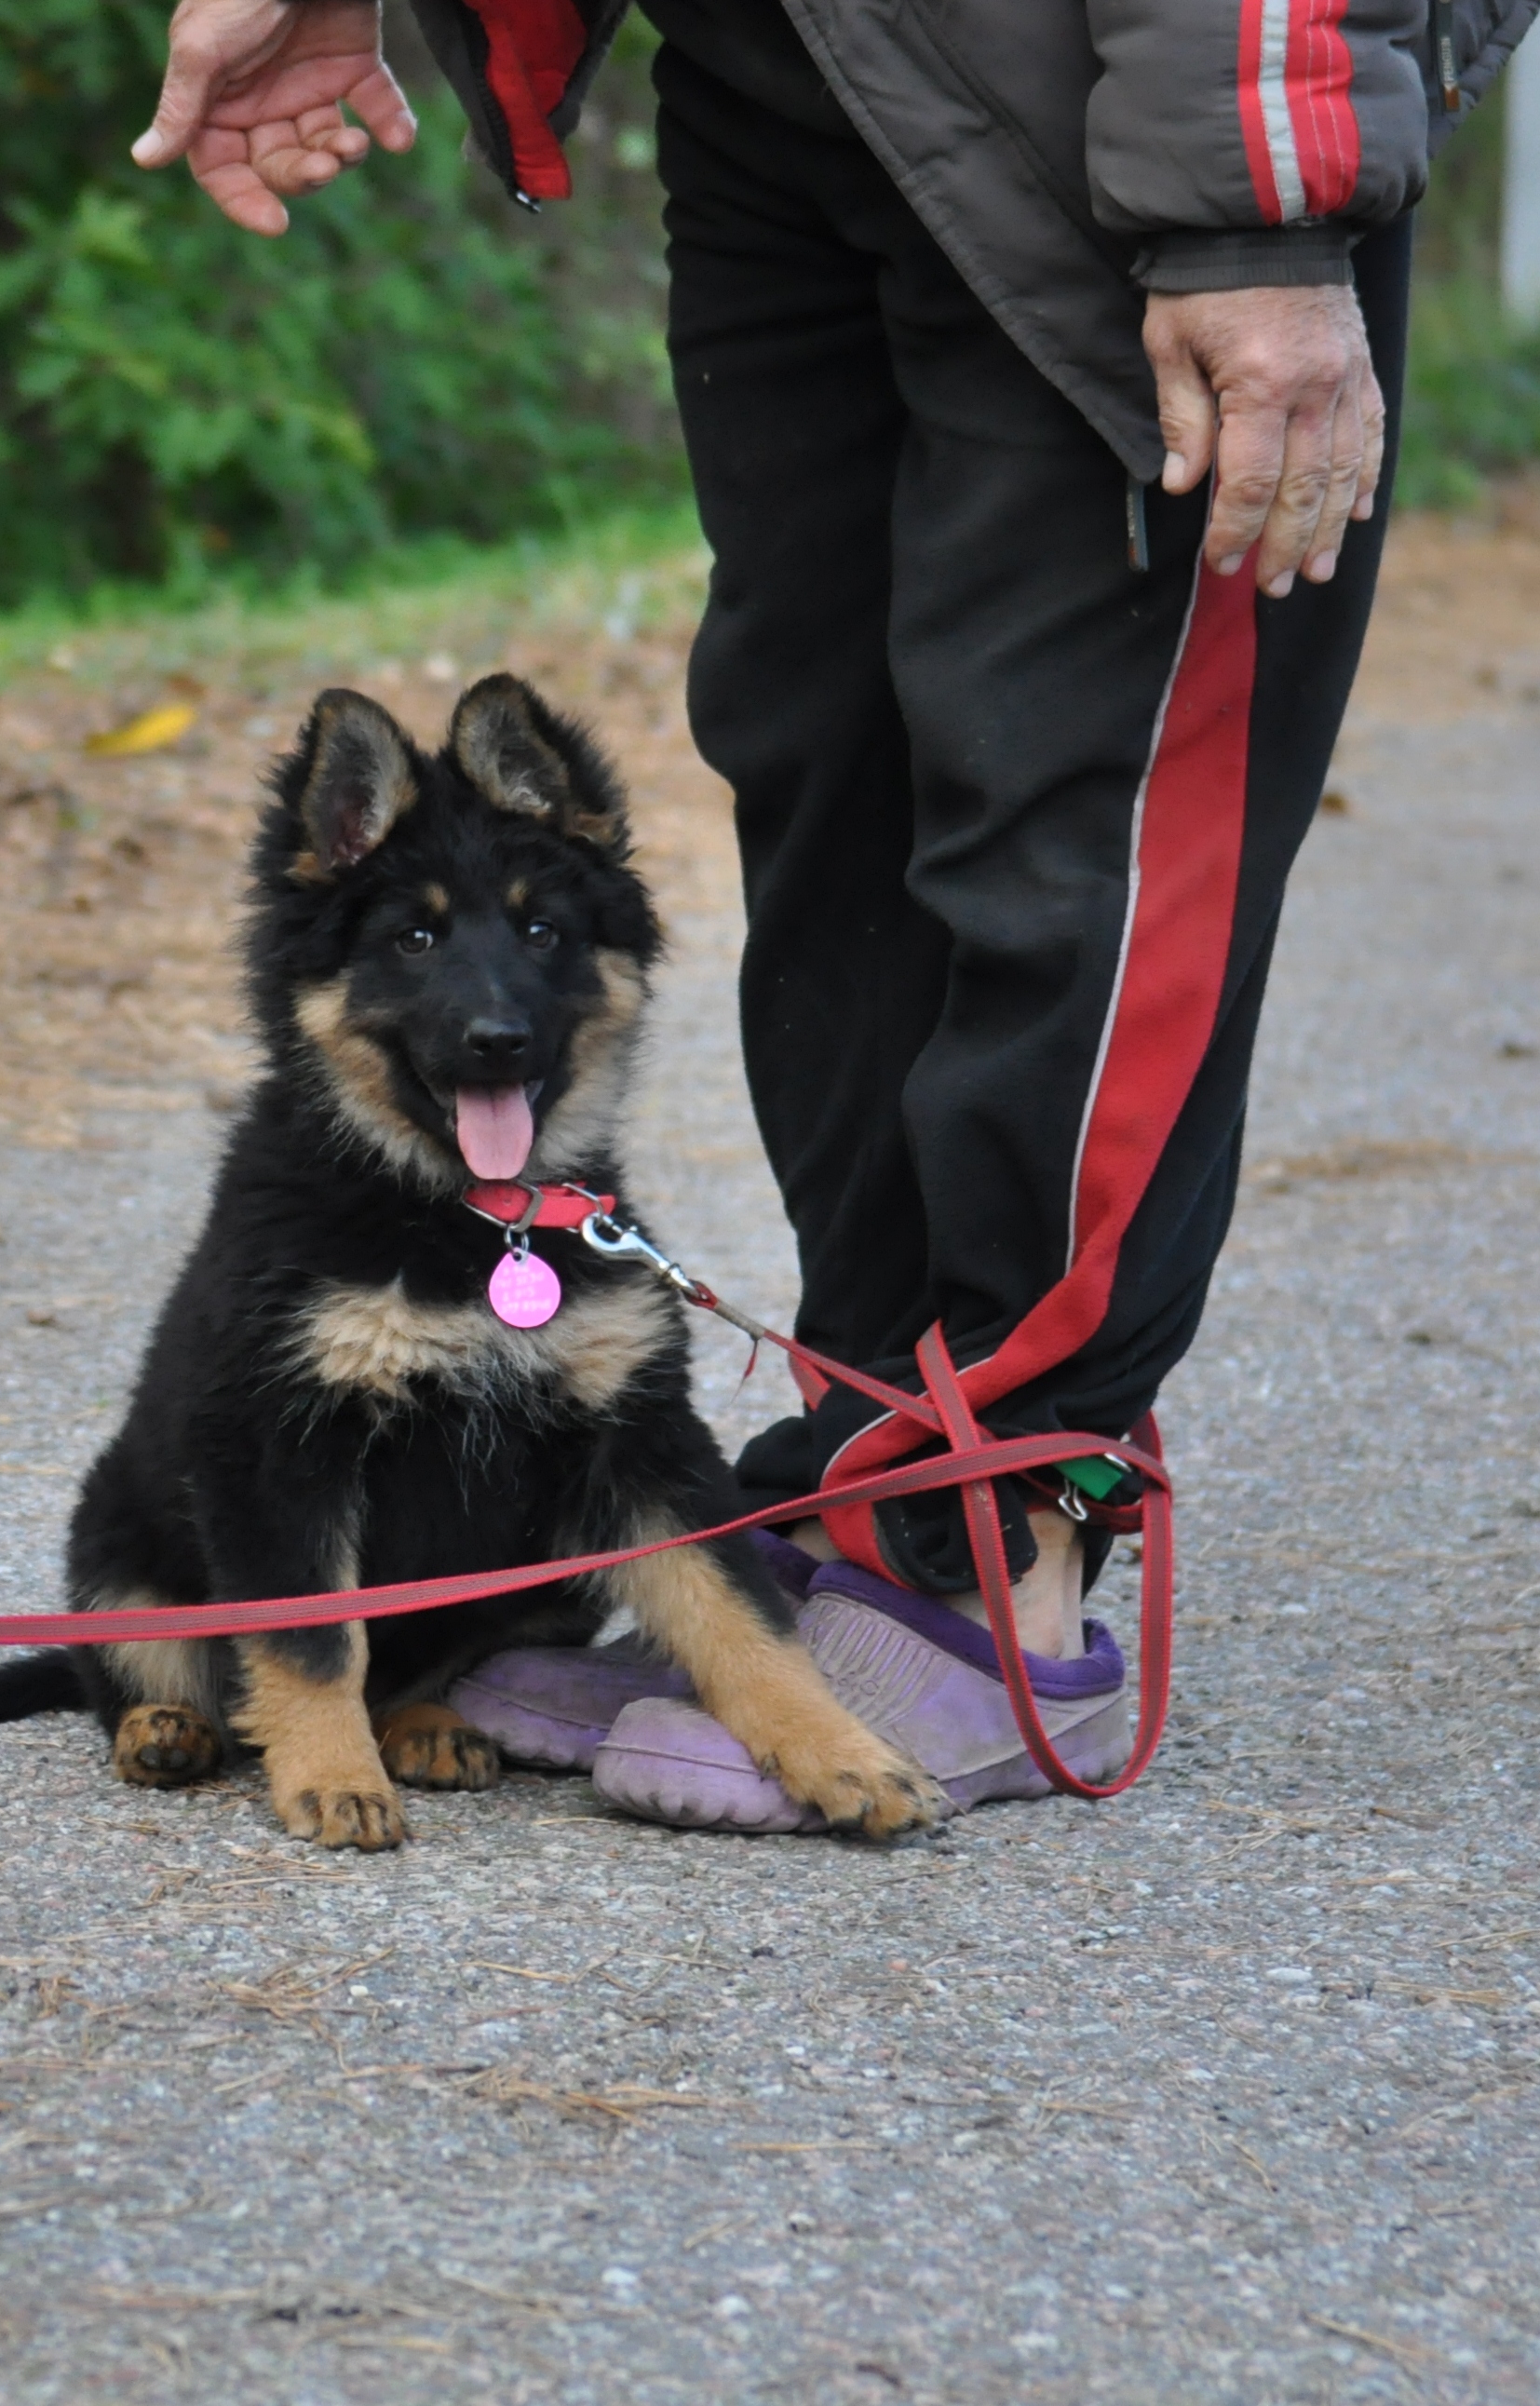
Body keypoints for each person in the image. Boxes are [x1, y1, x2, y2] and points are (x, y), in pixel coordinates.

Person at [129, 0, 1526, 1829]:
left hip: (1117, 96)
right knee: (826, 779)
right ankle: (879, 1468)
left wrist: (1254, 203)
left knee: (1074, 836)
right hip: (777, 69)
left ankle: (1018, 1548)